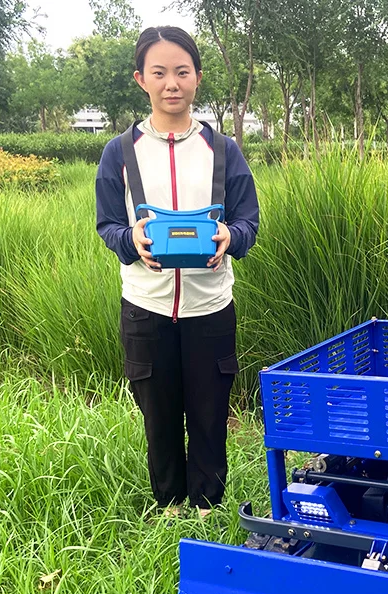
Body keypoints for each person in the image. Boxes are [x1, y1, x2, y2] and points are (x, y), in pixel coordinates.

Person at [95, 26, 259, 518]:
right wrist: (132, 241)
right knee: (159, 414)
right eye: (159, 72)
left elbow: (249, 221)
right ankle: (169, 505)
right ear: (140, 79)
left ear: (197, 79)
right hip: (145, 307)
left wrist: (232, 237)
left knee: (209, 414)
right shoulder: (119, 153)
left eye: (182, 72)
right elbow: (107, 225)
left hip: (210, 305)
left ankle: (207, 506)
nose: (172, 83)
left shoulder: (223, 150)